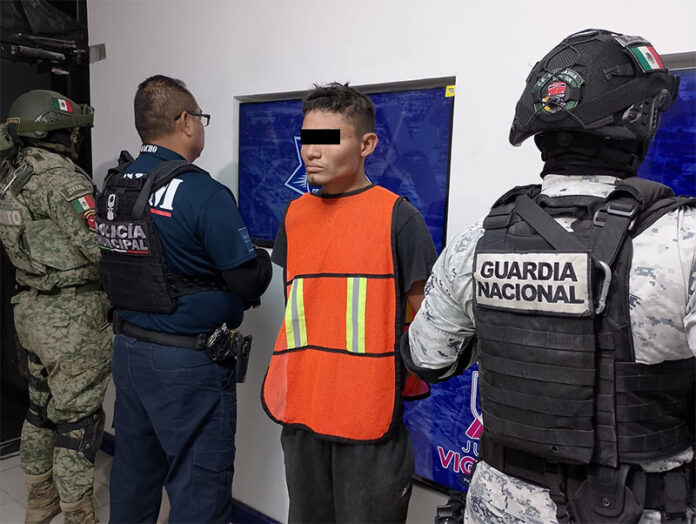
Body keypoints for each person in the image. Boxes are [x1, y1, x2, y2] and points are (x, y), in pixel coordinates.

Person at [405, 29, 695, 523]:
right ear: (638, 120)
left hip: (496, 503)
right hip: (634, 507)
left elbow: (428, 359)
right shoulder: (683, 242)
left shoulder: (479, 240)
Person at [262, 82, 438, 523]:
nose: (311, 152)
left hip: (368, 416)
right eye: (307, 140)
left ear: (367, 144)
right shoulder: (295, 216)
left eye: (327, 140)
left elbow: (427, 323)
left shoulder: (399, 218)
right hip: (303, 411)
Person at [101, 75, 272, 523]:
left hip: (129, 351)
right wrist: (262, 260)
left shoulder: (116, 187)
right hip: (186, 364)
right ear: (185, 121)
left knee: (134, 476)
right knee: (199, 488)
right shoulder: (201, 192)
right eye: (201, 118)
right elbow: (246, 283)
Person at [0, 90, 110, 524]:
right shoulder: (61, 179)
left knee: (40, 409)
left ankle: (40, 500)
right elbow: (99, 247)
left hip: (30, 309)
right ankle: (78, 515)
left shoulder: (12, 173)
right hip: (71, 318)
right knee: (77, 421)